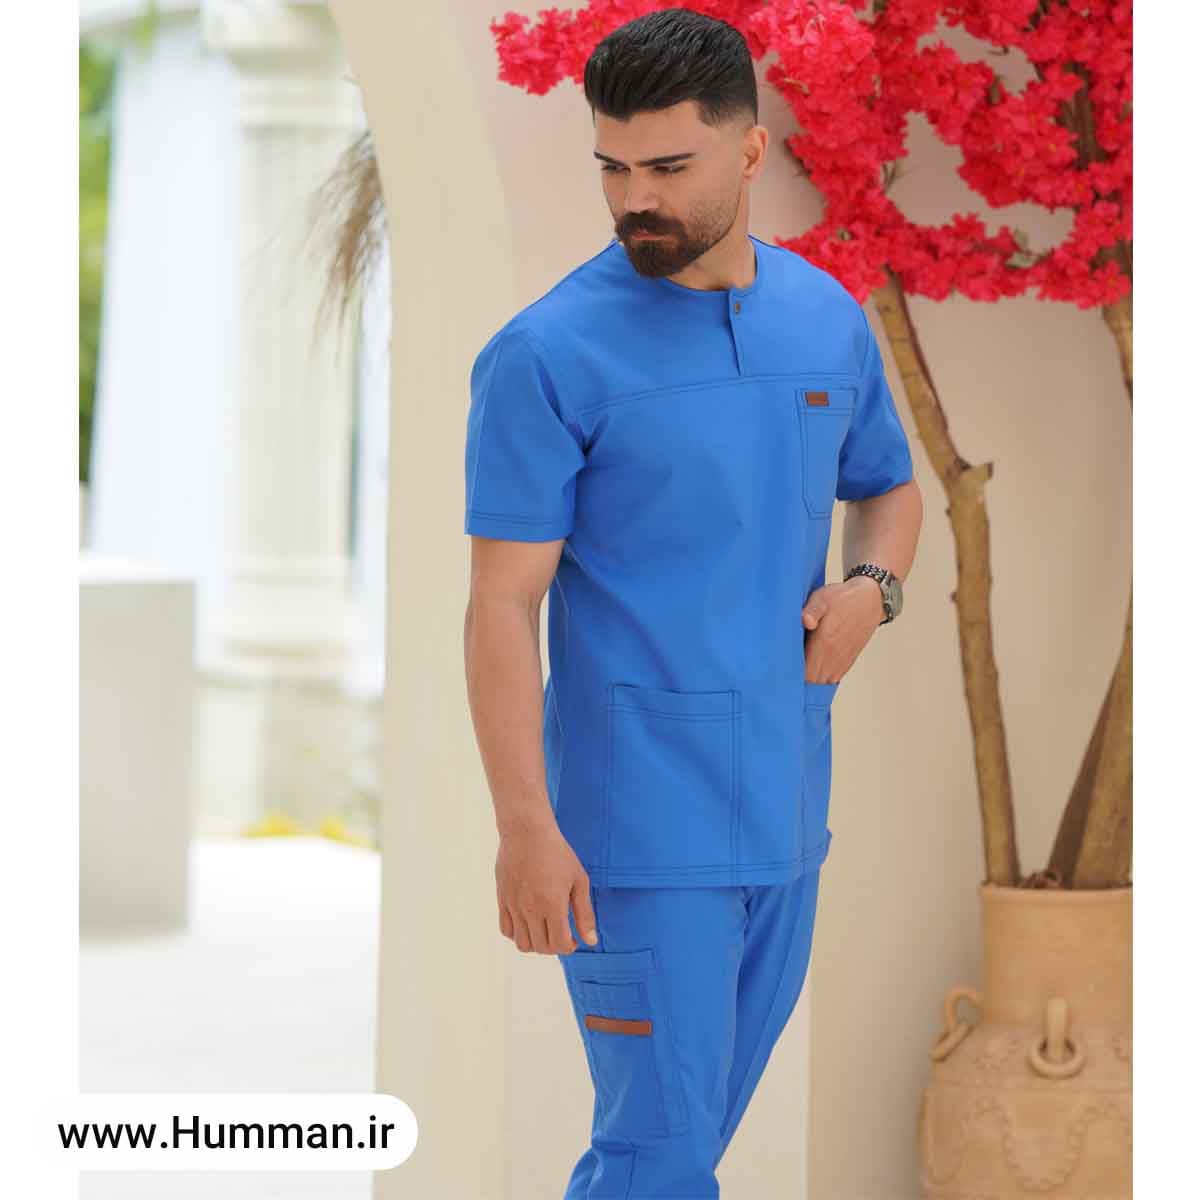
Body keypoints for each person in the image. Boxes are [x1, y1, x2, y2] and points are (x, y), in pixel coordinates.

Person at [463, 8, 923, 1196]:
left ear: (751, 150)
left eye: (668, 167)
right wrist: (525, 827)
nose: (636, 199)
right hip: (634, 831)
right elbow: (502, 606)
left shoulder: (825, 320)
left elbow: (889, 491)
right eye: (613, 168)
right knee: (658, 1159)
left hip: (787, 810)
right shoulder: (546, 355)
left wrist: (872, 589)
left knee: (677, 1154)